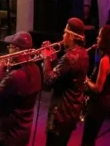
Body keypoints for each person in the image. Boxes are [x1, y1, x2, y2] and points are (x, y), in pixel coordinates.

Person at [0, 31, 41, 146]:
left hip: (7, 137)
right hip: (23, 133)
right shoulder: (36, 69)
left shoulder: (15, 76)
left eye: (10, 47)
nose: (8, 50)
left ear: (16, 49)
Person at [41, 17, 90, 146]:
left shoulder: (69, 57)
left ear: (71, 36)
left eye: (65, 32)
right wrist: (53, 59)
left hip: (60, 115)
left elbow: (48, 82)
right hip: (71, 114)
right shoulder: (84, 53)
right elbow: (63, 75)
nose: (63, 36)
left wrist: (46, 59)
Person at [82, 25, 110, 146]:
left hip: (99, 105)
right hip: (105, 102)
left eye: (99, 36)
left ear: (105, 40)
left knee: (87, 139)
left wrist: (86, 80)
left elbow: (98, 88)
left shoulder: (105, 60)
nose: (97, 38)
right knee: (90, 138)